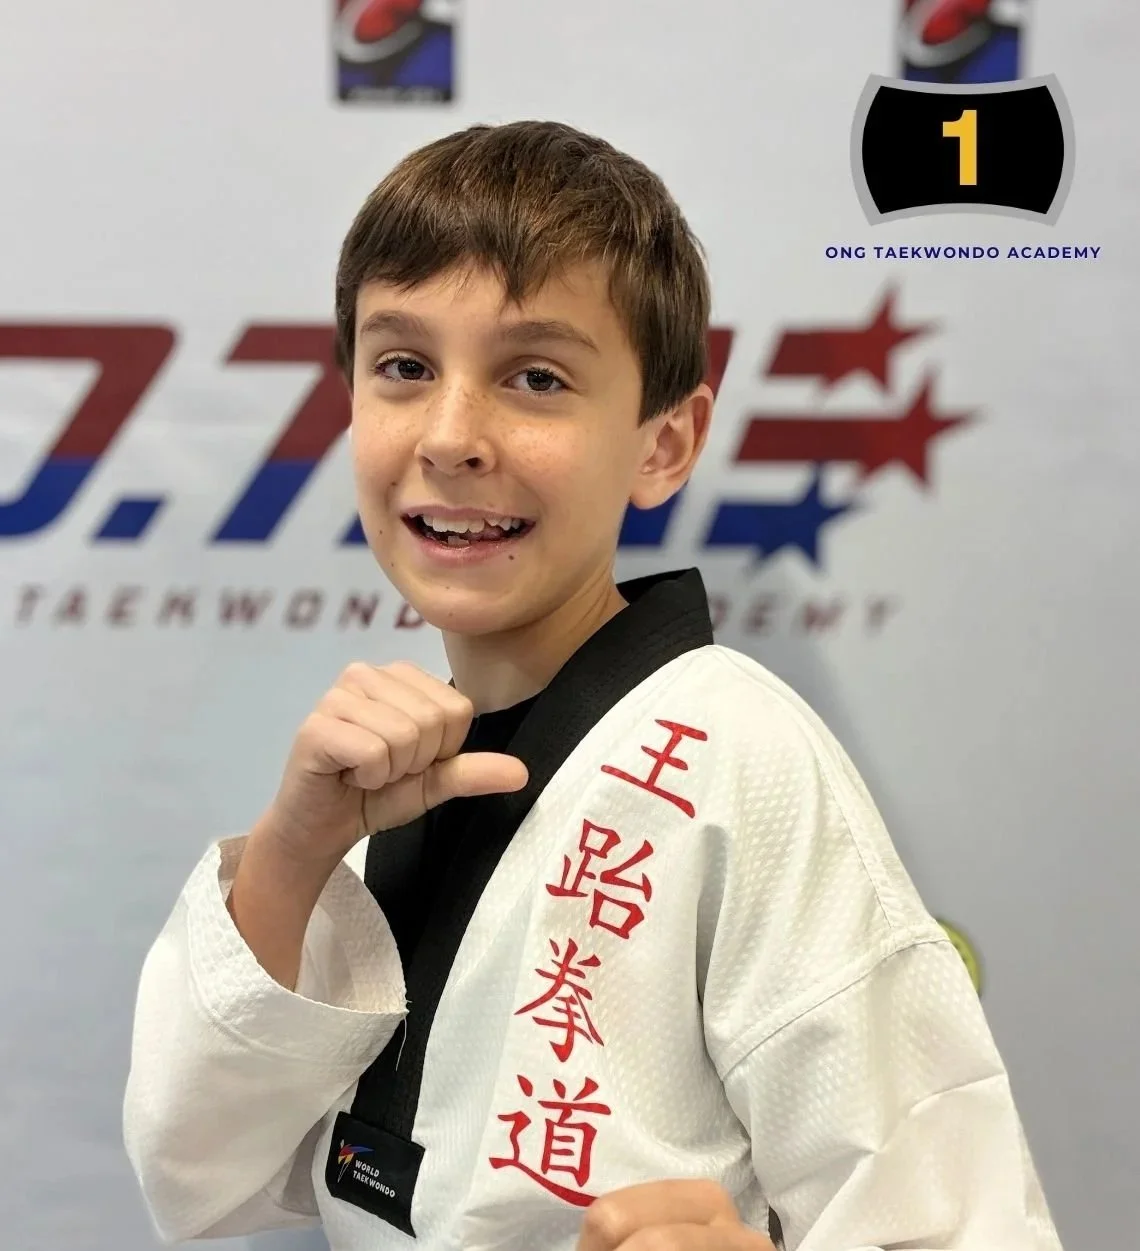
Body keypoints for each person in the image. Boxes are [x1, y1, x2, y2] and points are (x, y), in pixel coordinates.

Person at [123, 120, 1063, 1251]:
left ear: (664, 445)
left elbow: (961, 1218)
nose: (453, 436)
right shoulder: (379, 785)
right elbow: (196, 1179)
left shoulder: (740, 765)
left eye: (536, 376)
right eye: (405, 367)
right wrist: (289, 853)